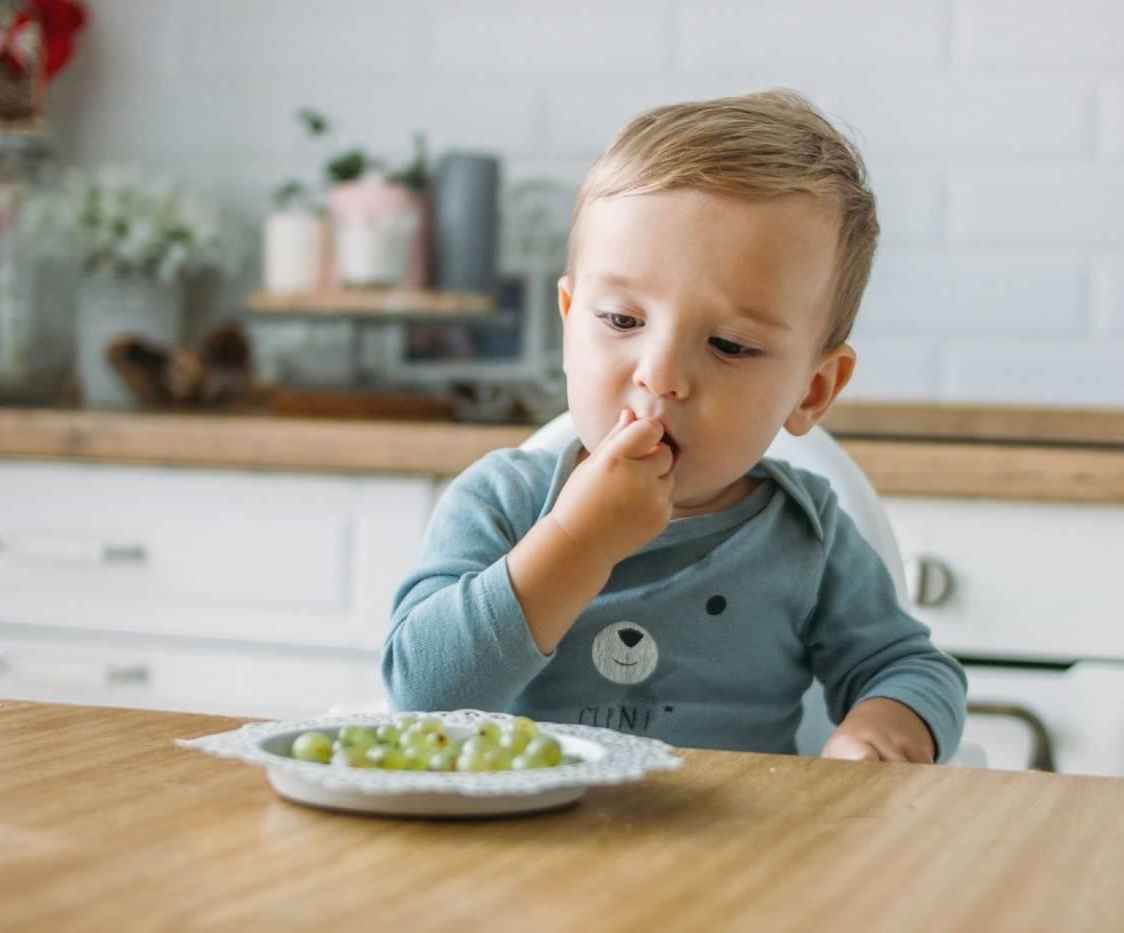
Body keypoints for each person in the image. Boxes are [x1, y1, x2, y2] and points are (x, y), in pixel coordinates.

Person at [384, 89, 967, 763]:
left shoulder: (807, 536)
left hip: (738, 860)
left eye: (729, 345)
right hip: (527, 854)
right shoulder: (501, 504)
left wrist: (882, 731)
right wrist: (578, 540)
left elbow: (915, 669)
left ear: (811, 389)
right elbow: (421, 693)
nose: (659, 376)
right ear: (570, 323)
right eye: (623, 321)